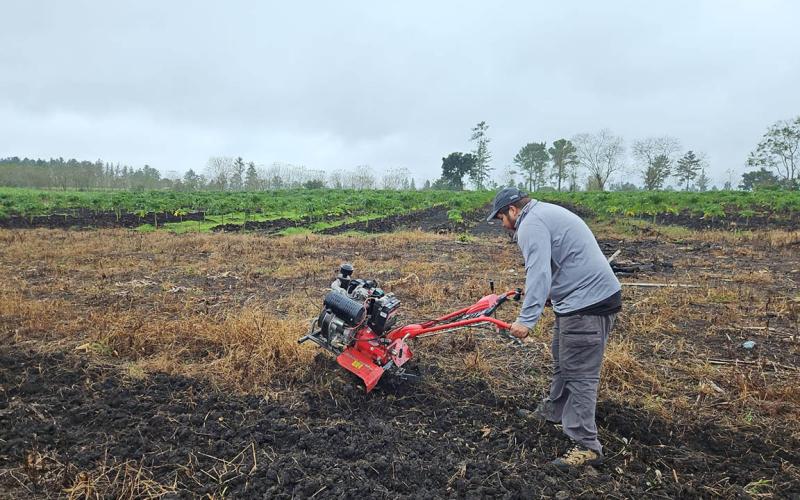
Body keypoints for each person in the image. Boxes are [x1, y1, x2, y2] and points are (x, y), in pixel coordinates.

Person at [487, 187, 621, 469]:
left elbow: (539, 271)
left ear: (513, 210)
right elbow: (561, 260)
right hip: (584, 298)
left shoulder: (530, 224)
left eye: (501, 218)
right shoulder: (544, 213)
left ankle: (587, 446)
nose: (503, 226)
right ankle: (554, 411)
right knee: (563, 360)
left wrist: (526, 320)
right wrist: (547, 294)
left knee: (579, 373)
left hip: (587, 304)